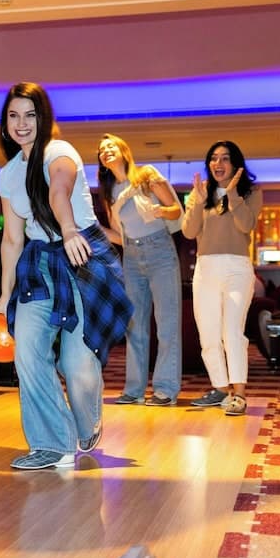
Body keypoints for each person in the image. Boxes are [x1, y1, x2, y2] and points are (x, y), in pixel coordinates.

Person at [0, 82, 132, 470]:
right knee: (28, 352)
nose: (21, 124)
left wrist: (68, 229)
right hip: (38, 264)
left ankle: (88, 421)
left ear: (43, 118)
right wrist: (4, 295)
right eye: (13, 115)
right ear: (5, 123)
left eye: (30, 115)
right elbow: (12, 238)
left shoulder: (59, 151)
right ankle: (52, 444)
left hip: (81, 254)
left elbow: (59, 192)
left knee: (76, 362)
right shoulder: (8, 174)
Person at [96, 134, 183, 407]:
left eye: (110, 146)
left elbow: (175, 210)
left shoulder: (146, 175)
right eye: (101, 150)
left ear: (124, 150)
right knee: (134, 326)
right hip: (132, 256)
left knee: (167, 323)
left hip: (160, 250)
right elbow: (120, 236)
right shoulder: (109, 193)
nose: (106, 151)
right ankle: (134, 390)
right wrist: (95, 230)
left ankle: (165, 389)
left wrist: (160, 211)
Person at [181, 140, 262, 416]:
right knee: (208, 335)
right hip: (206, 268)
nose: (218, 163)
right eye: (214, 158)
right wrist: (198, 200)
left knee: (232, 332)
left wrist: (232, 194)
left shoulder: (251, 192)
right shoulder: (200, 192)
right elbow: (189, 232)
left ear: (235, 163)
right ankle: (220, 388)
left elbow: (246, 225)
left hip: (237, 268)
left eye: (225, 158)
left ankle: (239, 393)